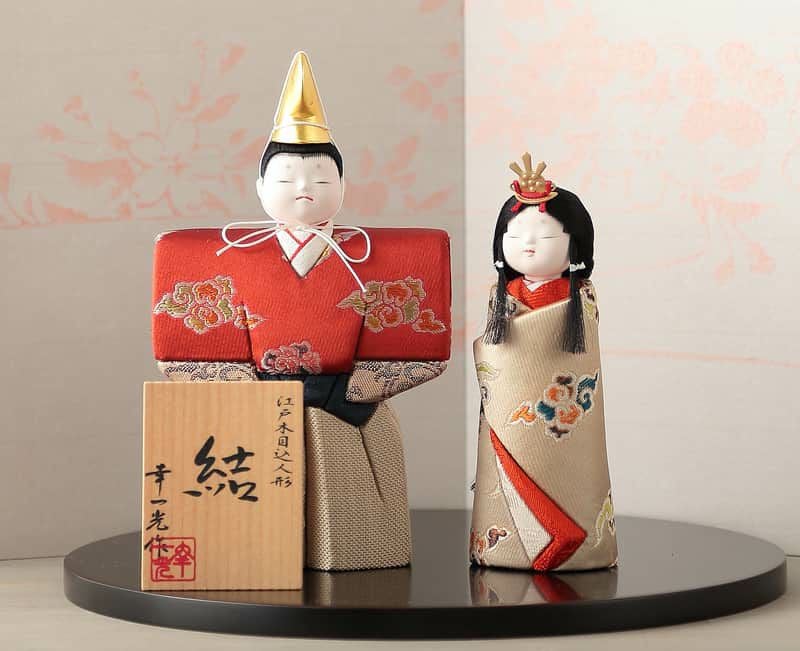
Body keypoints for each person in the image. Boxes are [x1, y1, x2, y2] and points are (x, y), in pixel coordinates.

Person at [152, 52, 451, 571]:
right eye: (287, 178)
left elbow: (420, 343)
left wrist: (352, 389)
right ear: (260, 188)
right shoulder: (227, 256)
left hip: (351, 406)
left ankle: (357, 567)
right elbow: (184, 345)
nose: (305, 189)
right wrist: (259, 394)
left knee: (353, 529)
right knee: (257, 543)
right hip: (256, 410)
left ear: (344, 187)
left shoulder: (374, 257)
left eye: (321, 179)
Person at [470, 153, 617, 571]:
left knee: (569, 470)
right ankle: (503, 548)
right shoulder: (500, 297)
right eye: (514, 235)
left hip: (563, 424)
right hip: (507, 410)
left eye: (546, 236)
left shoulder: (580, 299)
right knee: (506, 468)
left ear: (575, 244)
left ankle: (578, 545)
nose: (528, 244)